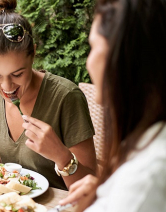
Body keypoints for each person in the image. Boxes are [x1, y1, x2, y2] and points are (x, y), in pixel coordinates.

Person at [0, 0, 98, 190]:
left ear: (34, 54)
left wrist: (61, 156)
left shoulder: (66, 96)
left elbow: (92, 188)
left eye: (17, 74)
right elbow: (21, 163)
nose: (7, 87)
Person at [59, 0, 166, 211]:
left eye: (93, 47)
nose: (88, 61)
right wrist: (105, 192)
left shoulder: (146, 178)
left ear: (123, 57)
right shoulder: (144, 142)